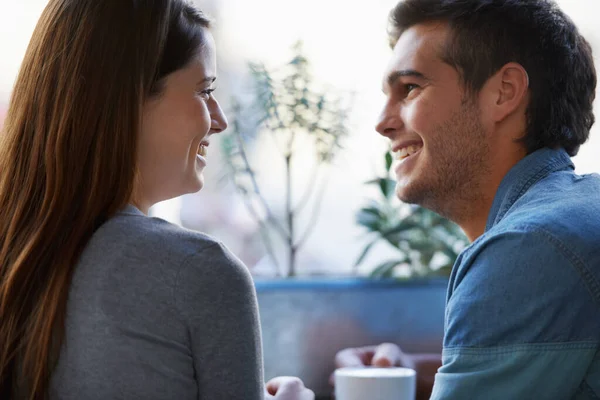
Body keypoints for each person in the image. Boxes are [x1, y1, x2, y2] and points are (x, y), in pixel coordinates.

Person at [0, 1, 313, 399]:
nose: (220, 120)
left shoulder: (16, 256)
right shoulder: (198, 272)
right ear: (129, 100)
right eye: (205, 91)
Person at [335, 0, 599, 399]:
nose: (383, 122)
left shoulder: (528, 246)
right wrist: (430, 371)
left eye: (410, 88)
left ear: (504, 93)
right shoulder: (572, 216)